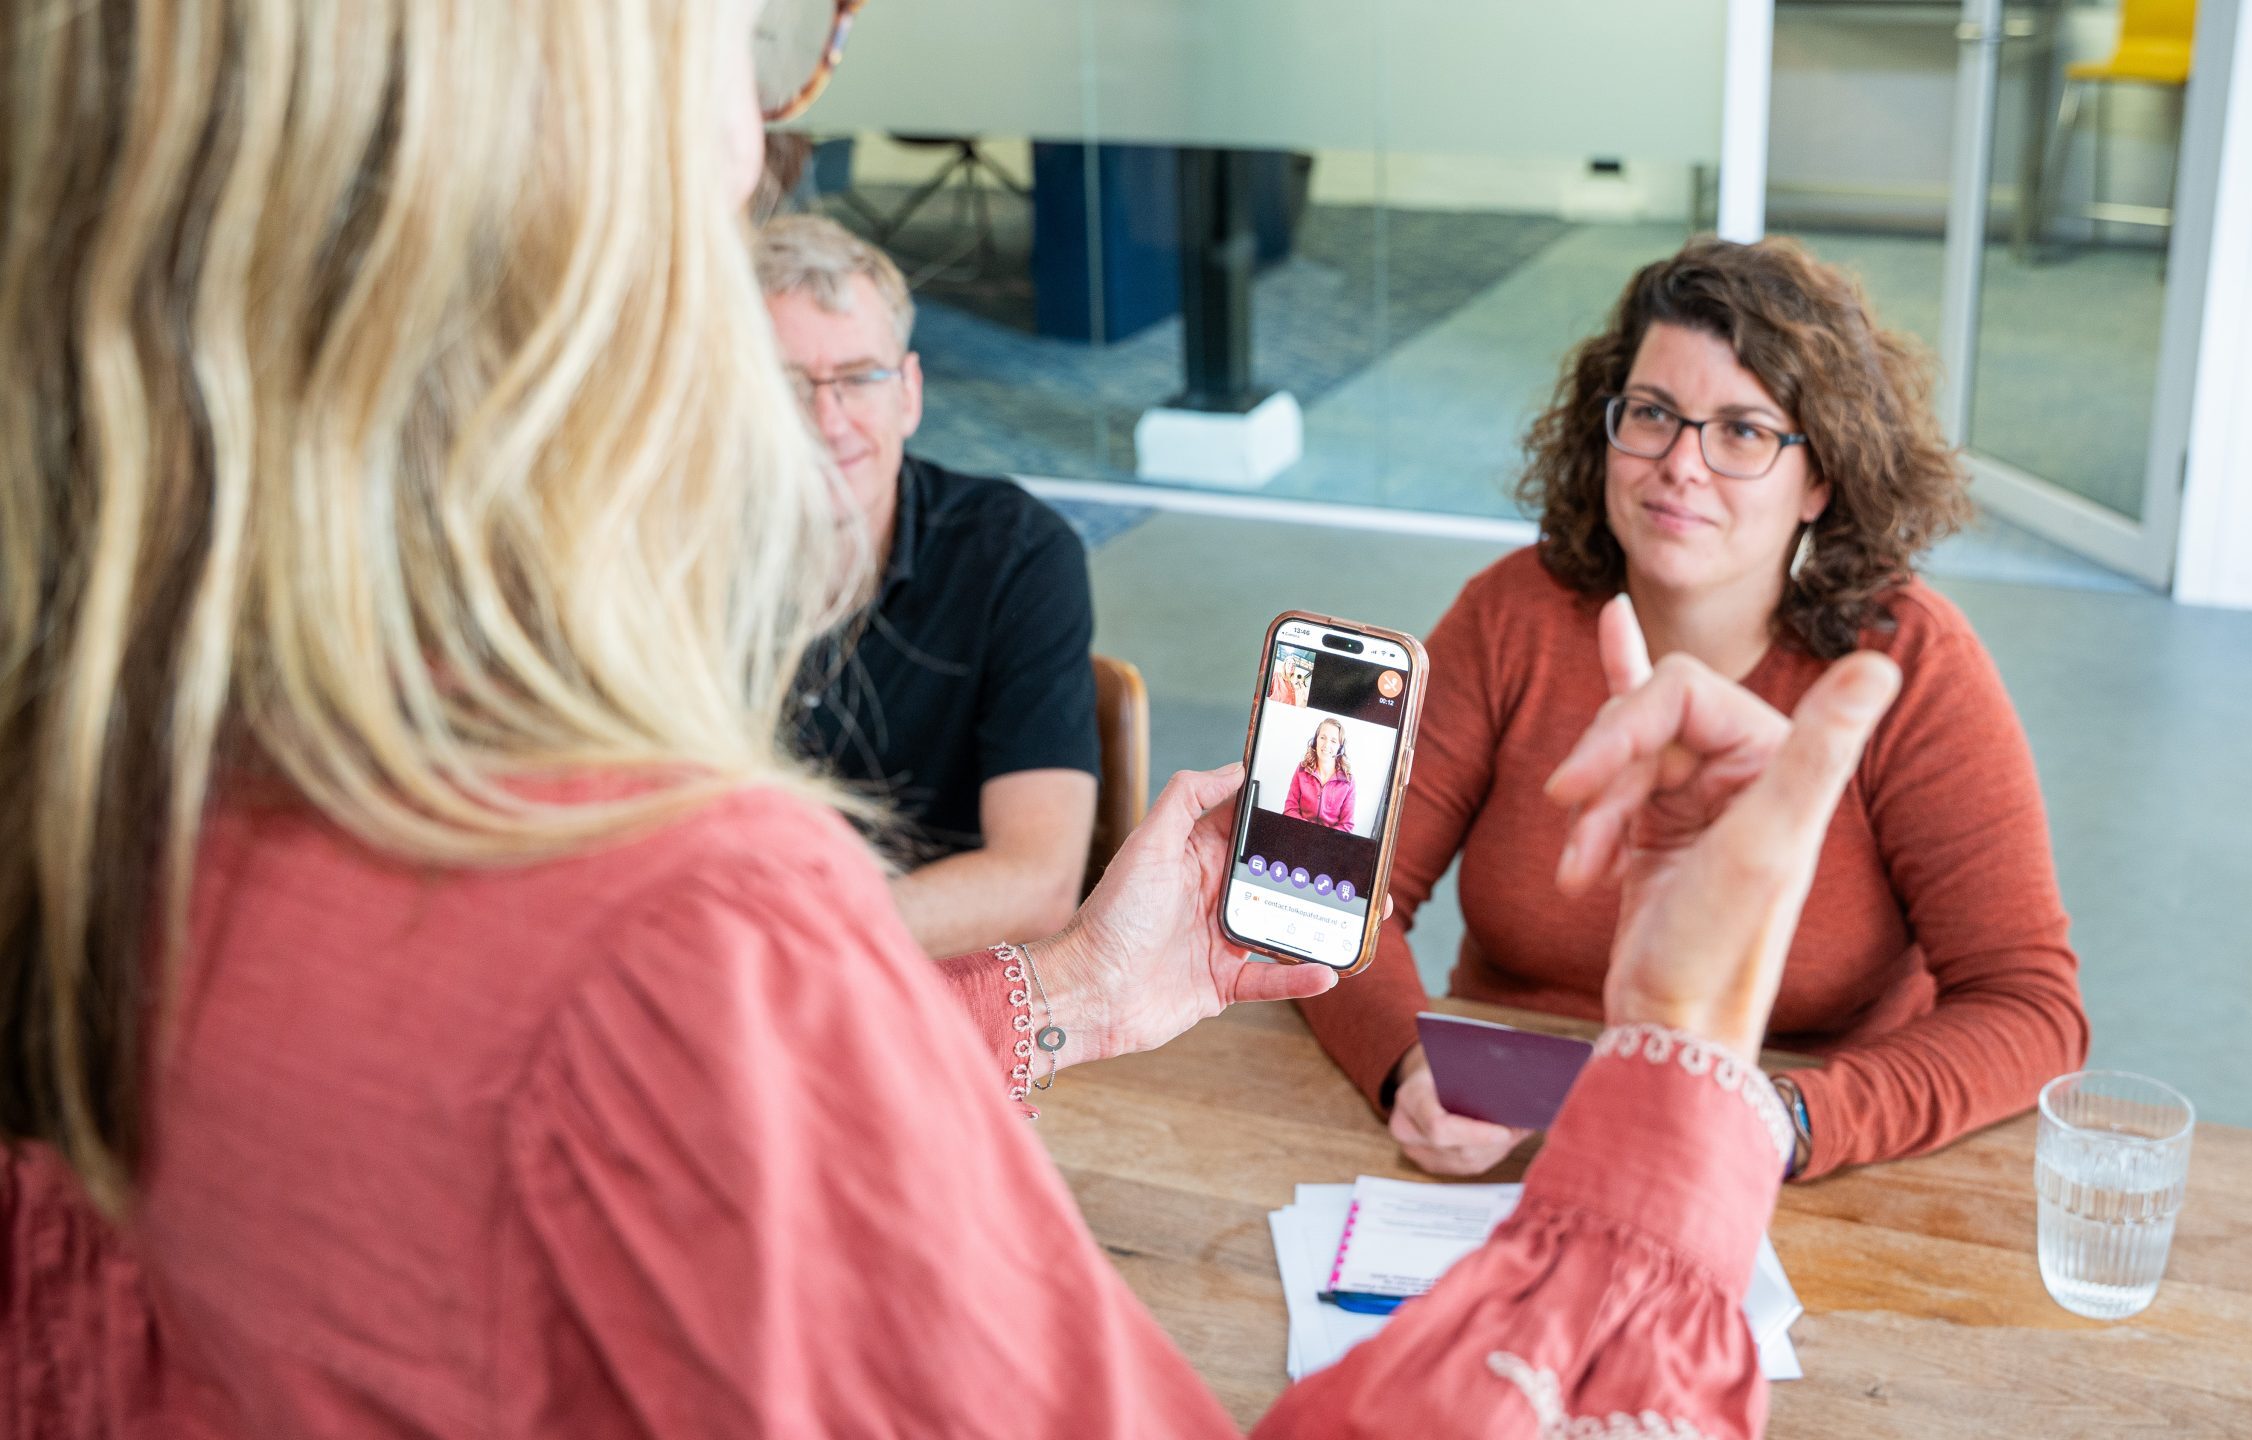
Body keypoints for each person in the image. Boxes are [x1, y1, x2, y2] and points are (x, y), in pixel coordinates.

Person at [0, 3, 1903, 1436]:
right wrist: (1678, 1064)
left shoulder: (115, 790)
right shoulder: (650, 924)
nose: (757, 144)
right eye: (740, 43)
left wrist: (1076, 993)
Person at [1301, 237, 2093, 1182]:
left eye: (1743, 432)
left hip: (1777, 1175)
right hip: (1495, 1161)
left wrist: (1784, 1122)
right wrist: (1411, 1063)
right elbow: (1326, 887)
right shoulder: (1509, 611)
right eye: (1652, 413)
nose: (1681, 463)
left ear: (1821, 479)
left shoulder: (1911, 665)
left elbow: (2030, 1008)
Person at [758, 213, 1099, 956]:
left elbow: (1037, 884)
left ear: (908, 393)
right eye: (787, 386)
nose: (828, 420)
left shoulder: (1014, 554)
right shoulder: (665, 564)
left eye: (859, 378)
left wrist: (795, 946)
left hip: (933, 983)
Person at [1283, 717, 1358, 831]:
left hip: (1329, 839)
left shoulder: (1348, 781)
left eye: (1333, 741)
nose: (1326, 745)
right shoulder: (1302, 769)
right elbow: (1289, 810)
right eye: (1323, 738)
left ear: (1340, 748)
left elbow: (1347, 825)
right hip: (1300, 831)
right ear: (1315, 741)